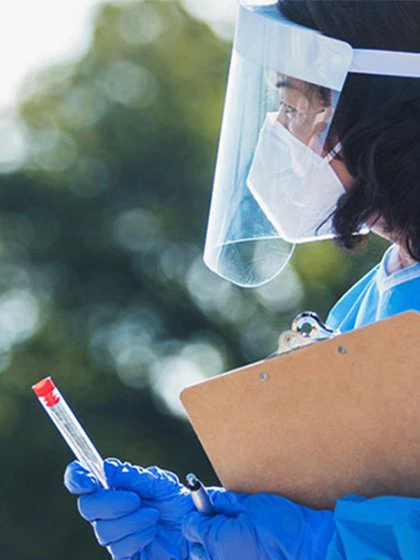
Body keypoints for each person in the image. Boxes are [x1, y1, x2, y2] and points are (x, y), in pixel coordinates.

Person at [65, 1, 420, 558]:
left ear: (382, 109)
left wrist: (324, 544)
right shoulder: (364, 306)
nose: (280, 133)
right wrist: (198, 534)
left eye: (296, 107)